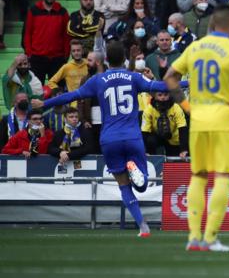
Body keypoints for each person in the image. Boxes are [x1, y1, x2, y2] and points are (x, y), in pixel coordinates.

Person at [31, 41, 171, 238]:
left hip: (109, 139)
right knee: (142, 184)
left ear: (105, 60)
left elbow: (70, 96)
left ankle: (143, 226)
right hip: (132, 136)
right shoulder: (133, 77)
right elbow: (161, 86)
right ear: (124, 59)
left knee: (124, 185)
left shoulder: (97, 80)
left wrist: (44, 102)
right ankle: (133, 167)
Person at [164, 4, 229, 251]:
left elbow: (169, 78)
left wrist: (186, 106)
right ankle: (211, 238)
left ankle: (193, 238)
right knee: (223, 175)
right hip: (225, 120)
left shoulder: (194, 47)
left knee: (198, 176)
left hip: (198, 119)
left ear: (213, 25)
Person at [24, 0, 71, 85]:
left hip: (57, 59)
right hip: (37, 58)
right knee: (36, 91)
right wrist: (29, 54)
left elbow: (66, 36)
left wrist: (65, 55)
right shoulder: (33, 11)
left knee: (57, 92)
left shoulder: (63, 12)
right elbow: (27, 33)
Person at [141, 91, 188, 157]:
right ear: (155, 96)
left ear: (169, 95)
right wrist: (145, 150)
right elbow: (144, 131)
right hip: (156, 137)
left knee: (177, 157)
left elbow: (182, 128)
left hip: (174, 138)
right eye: (160, 95)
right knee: (150, 140)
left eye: (165, 95)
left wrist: (183, 149)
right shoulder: (148, 109)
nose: (163, 97)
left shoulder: (176, 107)